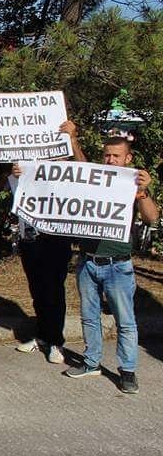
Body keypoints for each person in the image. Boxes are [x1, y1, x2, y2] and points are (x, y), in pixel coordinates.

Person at [63, 129, 159, 393]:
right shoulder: (97, 178)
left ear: (128, 159)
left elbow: (152, 218)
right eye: (107, 155)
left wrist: (143, 191)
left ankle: (127, 371)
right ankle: (91, 361)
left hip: (117, 264)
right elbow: (81, 168)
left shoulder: (134, 183)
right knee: (89, 317)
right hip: (88, 261)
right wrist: (73, 140)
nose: (110, 160)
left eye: (116, 156)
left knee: (125, 321)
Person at [9, 120, 86, 364]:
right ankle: (42, 335)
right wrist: (12, 173)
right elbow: (2, 185)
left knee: (54, 290)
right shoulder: (24, 166)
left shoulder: (63, 164)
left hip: (56, 236)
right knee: (38, 290)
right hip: (29, 237)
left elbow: (85, 170)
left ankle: (56, 342)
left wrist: (72, 139)